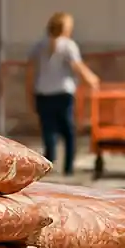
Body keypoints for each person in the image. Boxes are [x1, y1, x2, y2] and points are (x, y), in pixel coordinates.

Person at [26, 12, 99, 176]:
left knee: (48, 130)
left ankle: (48, 164)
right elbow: (77, 66)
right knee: (68, 131)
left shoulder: (39, 46)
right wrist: (92, 79)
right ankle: (68, 167)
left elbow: (30, 72)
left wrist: (29, 94)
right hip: (63, 93)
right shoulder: (68, 45)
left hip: (43, 92)